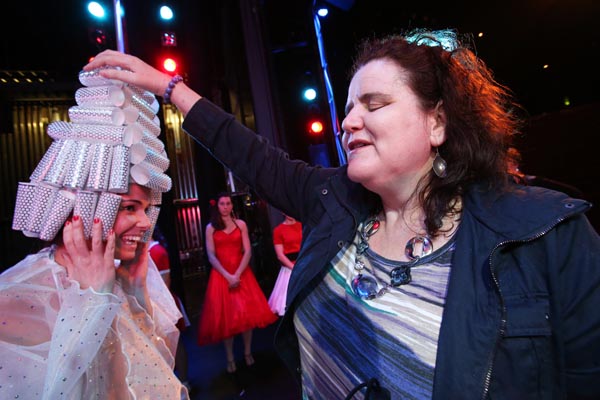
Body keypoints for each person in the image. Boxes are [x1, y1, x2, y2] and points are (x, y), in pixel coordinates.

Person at [84, 29, 600, 399]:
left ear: (438, 122)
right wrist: (166, 87)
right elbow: (249, 152)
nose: (348, 121)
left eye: (373, 105)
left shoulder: (547, 237)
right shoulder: (334, 201)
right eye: (348, 108)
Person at [0, 73, 188, 399]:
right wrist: (93, 304)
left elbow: (152, 373)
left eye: (145, 208)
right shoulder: (18, 295)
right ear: (83, 208)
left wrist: (136, 289)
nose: (145, 223)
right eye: (129, 207)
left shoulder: (123, 276)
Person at [197, 193, 277, 373]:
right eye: (222, 203)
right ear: (217, 206)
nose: (225, 206)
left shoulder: (241, 224)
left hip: (241, 273)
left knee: (246, 317)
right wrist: (227, 276)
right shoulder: (211, 228)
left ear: (232, 206)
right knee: (227, 321)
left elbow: (248, 251)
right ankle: (230, 358)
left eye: (228, 203)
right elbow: (211, 255)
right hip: (221, 275)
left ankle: (248, 352)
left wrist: (237, 274)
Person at [149, 229, 192, 392]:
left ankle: (184, 381)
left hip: (161, 303)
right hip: (146, 304)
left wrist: (156, 306)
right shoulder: (137, 253)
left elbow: (165, 283)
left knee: (175, 342)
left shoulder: (157, 251)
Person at [268, 213, 302, 316]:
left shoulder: (302, 225)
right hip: (290, 268)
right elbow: (280, 255)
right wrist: (294, 268)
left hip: (303, 263)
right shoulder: (278, 230)